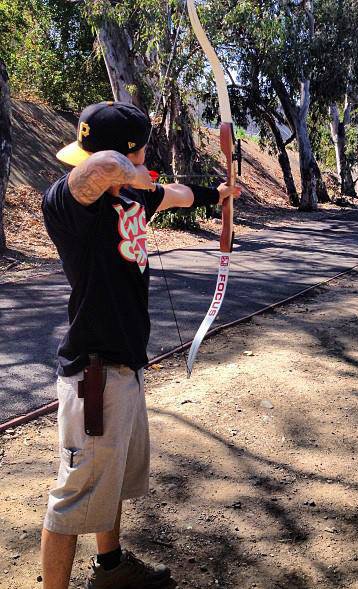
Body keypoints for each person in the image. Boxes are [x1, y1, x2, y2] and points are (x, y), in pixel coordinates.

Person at [40, 100, 240, 589]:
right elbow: (104, 168)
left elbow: (174, 195)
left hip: (123, 366)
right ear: (128, 154)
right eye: (142, 152)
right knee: (73, 497)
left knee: (111, 484)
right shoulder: (68, 206)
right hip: (94, 372)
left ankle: (111, 570)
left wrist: (218, 194)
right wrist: (136, 172)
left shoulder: (127, 200)